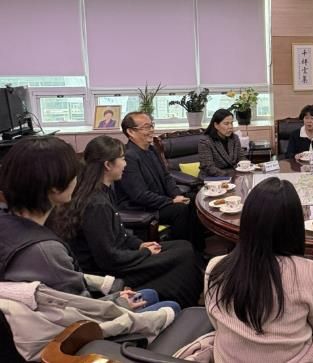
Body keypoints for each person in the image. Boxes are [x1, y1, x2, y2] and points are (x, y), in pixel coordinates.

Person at [0, 136, 178, 313]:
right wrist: (119, 302)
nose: (78, 179)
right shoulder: (46, 250)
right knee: (171, 307)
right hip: (78, 321)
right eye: (74, 173)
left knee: (150, 294)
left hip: (62, 307)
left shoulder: (9, 223)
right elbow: (79, 311)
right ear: (54, 187)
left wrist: (112, 286)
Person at [48, 136, 202, 308]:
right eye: (122, 159)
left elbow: (119, 232)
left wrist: (140, 245)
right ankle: (185, 303)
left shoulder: (104, 191)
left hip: (122, 254)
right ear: (108, 165)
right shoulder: (96, 204)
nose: (125, 164)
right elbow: (108, 257)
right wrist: (145, 253)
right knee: (182, 256)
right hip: (111, 268)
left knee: (183, 246)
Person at [205, 177, 313, 363]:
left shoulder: (216, 268)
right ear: (295, 225)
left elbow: (216, 323)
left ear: (246, 221)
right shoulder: (312, 272)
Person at [115, 112, 205, 251]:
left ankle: (198, 250)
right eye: (146, 127)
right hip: (141, 207)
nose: (151, 130)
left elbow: (166, 176)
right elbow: (139, 195)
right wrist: (171, 201)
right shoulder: (129, 157)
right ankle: (180, 251)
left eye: (152, 125)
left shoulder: (151, 149)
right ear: (130, 132)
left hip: (160, 201)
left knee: (195, 200)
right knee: (180, 210)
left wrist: (177, 195)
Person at [198, 108, 246, 178]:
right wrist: (230, 175)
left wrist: (246, 166)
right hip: (212, 178)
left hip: (233, 176)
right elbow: (208, 167)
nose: (230, 127)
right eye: (226, 124)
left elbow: (241, 158)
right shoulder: (205, 141)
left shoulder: (235, 138)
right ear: (216, 125)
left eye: (231, 123)